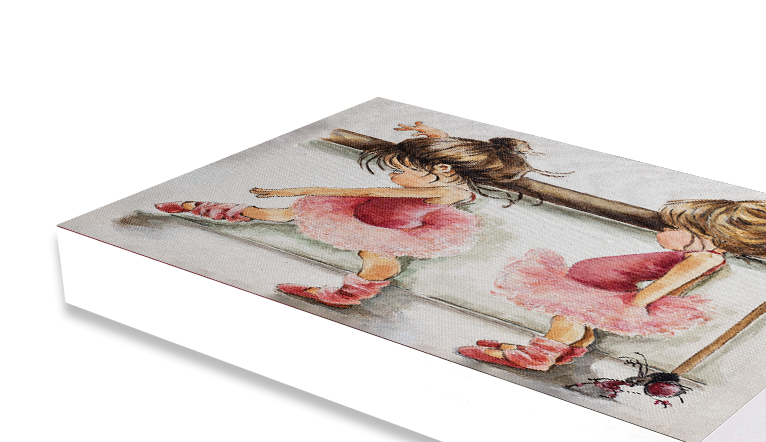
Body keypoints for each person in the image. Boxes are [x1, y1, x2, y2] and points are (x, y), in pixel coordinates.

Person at [156, 121, 556, 307]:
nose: (395, 175)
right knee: (273, 214)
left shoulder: (445, 189)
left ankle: (347, 295)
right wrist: (432, 135)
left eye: (401, 170)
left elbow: (366, 189)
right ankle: (201, 208)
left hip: (394, 225)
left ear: (442, 171)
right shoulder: (446, 172)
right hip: (363, 212)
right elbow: (444, 154)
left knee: (377, 258)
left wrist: (294, 189)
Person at [458, 198, 766, 371]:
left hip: (603, 295)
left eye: (674, 227)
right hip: (593, 287)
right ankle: (561, 350)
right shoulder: (701, 252)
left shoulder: (703, 258)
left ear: (704, 238)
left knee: (565, 317)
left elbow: (669, 283)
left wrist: (636, 303)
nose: (664, 231)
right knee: (570, 321)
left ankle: (537, 356)